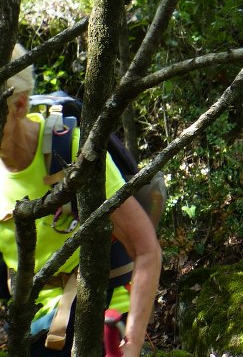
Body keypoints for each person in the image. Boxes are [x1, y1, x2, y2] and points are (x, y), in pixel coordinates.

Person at [0, 44, 161, 357]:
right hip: (35, 330)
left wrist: (132, 344)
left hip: (104, 314)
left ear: (19, 105)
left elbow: (145, 249)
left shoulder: (68, 150)